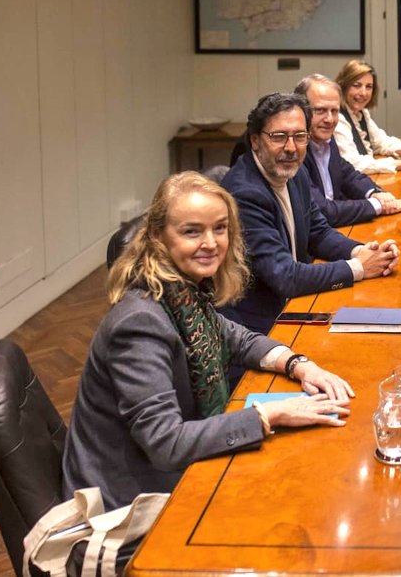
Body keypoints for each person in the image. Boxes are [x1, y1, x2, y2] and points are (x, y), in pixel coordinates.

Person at [62, 172, 354, 510]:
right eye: (191, 231)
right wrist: (268, 414)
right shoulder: (139, 322)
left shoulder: (181, 293)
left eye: (220, 228)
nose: (211, 243)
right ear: (157, 236)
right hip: (127, 501)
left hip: (160, 471)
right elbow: (166, 442)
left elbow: (235, 337)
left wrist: (297, 364)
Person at [221, 92, 399, 334]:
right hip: (260, 327)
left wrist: (363, 251)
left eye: (300, 136)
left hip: (297, 304)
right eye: (279, 137)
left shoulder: (295, 172)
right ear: (254, 140)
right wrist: (358, 267)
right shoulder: (245, 193)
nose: (291, 148)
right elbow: (285, 276)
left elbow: (318, 231)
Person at [294, 73, 401, 226]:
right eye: (320, 110)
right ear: (301, 110)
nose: (330, 119)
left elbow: (346, 173)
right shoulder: (294, 150)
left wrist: (376, 193)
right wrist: (377, 206)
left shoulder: (326, 139)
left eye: (335, 111)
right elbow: (323, 211)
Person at [334, 59, 401, 174]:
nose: (363, 93)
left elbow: (380, 142)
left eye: (368, 87)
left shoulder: (361, 113)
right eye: (356, 85)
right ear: (343, 86)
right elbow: (353, 163)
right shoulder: (337, 117)